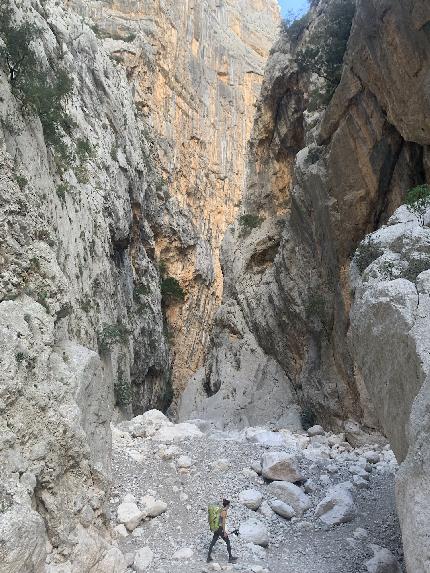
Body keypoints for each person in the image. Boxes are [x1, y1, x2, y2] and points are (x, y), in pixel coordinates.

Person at [207, 499, 238, 563]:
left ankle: (208, 557)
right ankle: (230, 558)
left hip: (216, 528)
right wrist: (224, 532)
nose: (229, 506)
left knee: (213, 541)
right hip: (220, 528)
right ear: (227, 505)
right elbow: (223, 523)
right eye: (229, 505)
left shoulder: (220, 509)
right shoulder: (224, 512)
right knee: (228, 542)